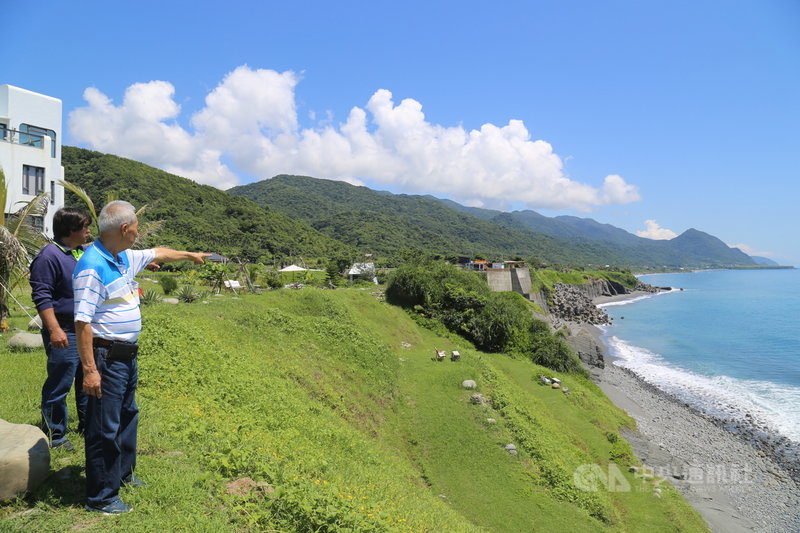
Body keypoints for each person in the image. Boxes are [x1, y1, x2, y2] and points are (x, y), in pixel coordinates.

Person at [73, 200, 209, 514]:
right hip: (104, 358)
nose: (138, 233)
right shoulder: (93, 266)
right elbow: (82, 323)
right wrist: (90, 370)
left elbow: (158, 252)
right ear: (125, 229)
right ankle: (101, 497)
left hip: (125, 357)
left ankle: (122, 474)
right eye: (135, 228)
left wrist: (189, 255)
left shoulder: (121, 258)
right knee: (103, 427)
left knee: (126, 416)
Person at [29, 207, 91, 451]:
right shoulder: (48, 256)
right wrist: (54, 330)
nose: (88, 230)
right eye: (84, 226)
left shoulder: (79, 252)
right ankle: (56, 435)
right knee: (60, 382)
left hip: (84, 328)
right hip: (64, 328)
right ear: (70, 230)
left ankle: (88, 425)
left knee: (87, 378)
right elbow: (42, 297)